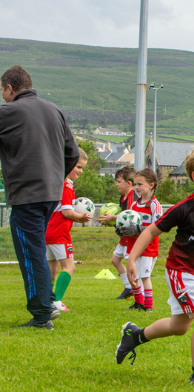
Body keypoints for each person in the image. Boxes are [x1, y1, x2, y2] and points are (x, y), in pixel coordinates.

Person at [115, 140, 194, 387]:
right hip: (180, 271)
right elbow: (151, 231)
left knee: (180, 326)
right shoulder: (184, 208)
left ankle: (135, 336)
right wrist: (131, 259)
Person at [0, 65, 80, 329]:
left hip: (26, 195)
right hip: (50, 196)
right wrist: (57, 178)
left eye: (2, 91)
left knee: (30, 252)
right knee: (36, 249)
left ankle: (42, 314)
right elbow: (73, 153)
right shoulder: (53, 109)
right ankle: (46, 301)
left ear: (9, 88)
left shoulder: (9, 111)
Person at [46, 148, 92, 312]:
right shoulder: (67, 184)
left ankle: (47, 298)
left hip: (48, 231)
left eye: (82, 168)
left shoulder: (55, 180)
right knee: (69, 267)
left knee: (53, 267)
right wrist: (80, 217)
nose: (80, 171)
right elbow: (66, 212)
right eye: (78, 167)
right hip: (59, 232)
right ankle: (56, 300)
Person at [120, 168, 162, 312]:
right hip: (133, 245)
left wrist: (140, 230)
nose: (137, 187)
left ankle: (148, 305)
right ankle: (138, 302)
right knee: (133, 276)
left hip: (148, 248)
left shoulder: (155, 205)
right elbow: (130, 223)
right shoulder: (134, 204)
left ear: (151, 185)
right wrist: (123, 229)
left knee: (145, 276)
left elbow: (157, 227)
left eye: (140, 184)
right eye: (136, 184)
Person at [99, 165, 137, 299]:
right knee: (115, 260)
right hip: (124, 236)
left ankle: (136, 289)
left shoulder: (133, 196)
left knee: (130, 263)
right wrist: (110, 221)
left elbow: (131, 216)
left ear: (128, 183)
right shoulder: (123, 197)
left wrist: (113, 218)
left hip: (132, 237)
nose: (116, 184)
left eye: (119, 181)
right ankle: (129, 287)